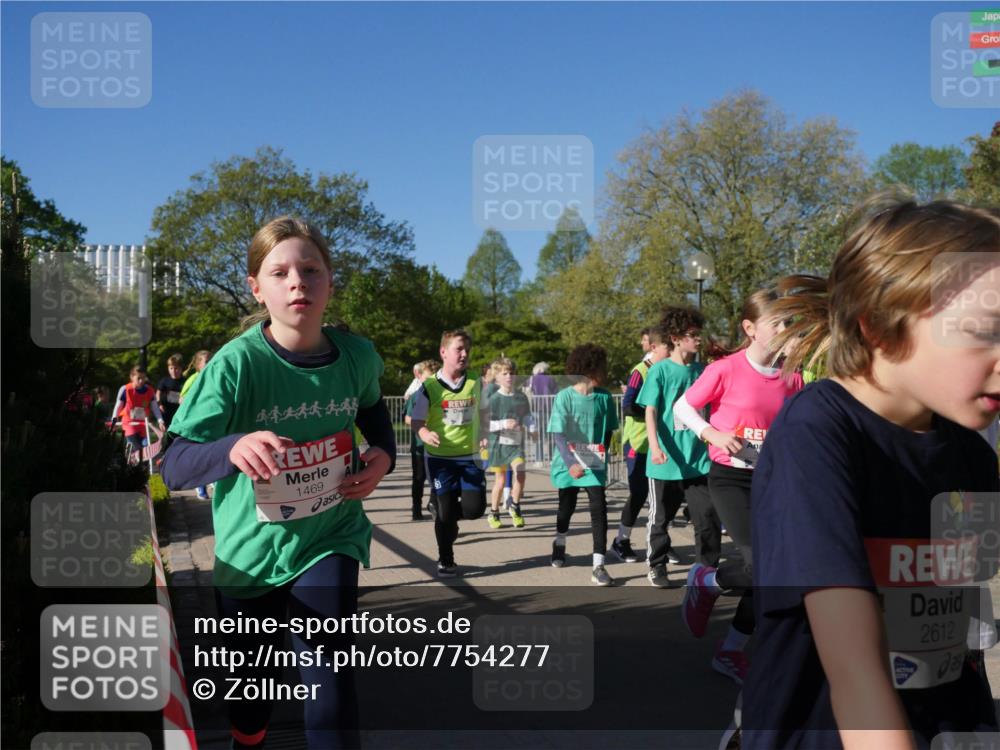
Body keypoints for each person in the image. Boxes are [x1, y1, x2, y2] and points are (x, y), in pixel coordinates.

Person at [740, 196, 1000, 749]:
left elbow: (962, 630)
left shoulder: (972, 454)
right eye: (985, 330)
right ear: (881, 326)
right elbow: (855, 672)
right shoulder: (819, 431)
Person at [160, 216, 395, 750]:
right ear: (256, 287)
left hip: (329, 536)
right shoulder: (235, 366)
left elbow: (377, 420)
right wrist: (232, 448)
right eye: (280, 271)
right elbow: (172, 463)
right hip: (250, 555)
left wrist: (382, 458)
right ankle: (249, 739)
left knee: (332, 684)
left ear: (330, 281)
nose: (297, 282)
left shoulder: (356, 356)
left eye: (311, 270)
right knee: (249, 700)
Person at [674, 288, 804, 685]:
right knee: (761, 565)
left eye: (789, 323)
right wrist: (711, 433)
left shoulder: (792, 377)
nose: (785, 330)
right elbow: (682, 407)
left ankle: (730, 650)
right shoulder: (725, 369)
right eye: (777, 322)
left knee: (779, 572)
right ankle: (706, 580)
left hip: (772, 481)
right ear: (750, 328)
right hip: (730, 478)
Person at [638, 313, 716, 588]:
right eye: (692, 335)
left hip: (697, 460)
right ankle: (657, 565)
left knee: (706, 517)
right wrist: (656, 447)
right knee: (661, 519)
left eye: (699, 334)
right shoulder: (659, 371)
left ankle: (706, 570)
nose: (698, 339)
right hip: (666, 460)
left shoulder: (703, 371)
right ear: (675, 339)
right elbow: (650, 411)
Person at [409, 329, 487, 577]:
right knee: (444, 511)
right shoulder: (429, 387)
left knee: (475, 510)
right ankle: (446, 559)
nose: (464, 354)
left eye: (467, 350)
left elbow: (484, 412)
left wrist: (485, 432)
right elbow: (416, 420)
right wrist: (424, 434)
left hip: (470, 457)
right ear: (444, 352)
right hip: (440, 458)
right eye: (459, 349)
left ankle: (447, 515)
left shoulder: (475, 382)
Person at [548, 344, 620, 586]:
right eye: (602, 366)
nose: (606, 371)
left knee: (598, 507)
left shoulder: (605, 397)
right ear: (590, 369)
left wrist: (601, 455)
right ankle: (559, 542)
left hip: (593, 461)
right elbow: (558, 435)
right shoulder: (564, 397)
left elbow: (609, 430)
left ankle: (598, 565)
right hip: (568, 462)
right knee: (566, 507)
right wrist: (570, 463)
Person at [610, 327, 660, 565]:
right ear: (656, 347)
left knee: (664, 496)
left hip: (660, 442)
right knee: (639, 493)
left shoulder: (667, 370)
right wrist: (654, 411)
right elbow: (628, 405)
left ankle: (661, 543)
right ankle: (621, 540)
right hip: (638, 442)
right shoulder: (640, 371)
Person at [484, 358, 532, 529]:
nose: (509, 376)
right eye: (504, 373)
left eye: (511, 373)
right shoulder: (494, 399)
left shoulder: (521, 397)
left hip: (515, 444)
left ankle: (515, 506)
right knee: (500, 480)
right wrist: (504, 423)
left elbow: (527, 416)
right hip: (498, 445)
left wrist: (532, 427)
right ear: (497, 377)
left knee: (521, 474)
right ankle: (494, 512)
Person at [404, 359, 439, 520]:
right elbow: (407, 418)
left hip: (438, 445)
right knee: (419, 477)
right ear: (421, 378)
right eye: (428, 377)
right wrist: (422, 425)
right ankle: (416, 507)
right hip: (419, 444)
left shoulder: (441, 396)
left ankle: (434, 503)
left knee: (436, 476)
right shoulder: (416, 396)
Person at [178, 350, 213, 499]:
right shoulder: (193, 379)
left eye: (212, 359)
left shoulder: (215, 375)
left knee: (212, 454)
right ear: (198, 365)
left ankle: (212, 481)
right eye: (206, 361)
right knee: (201, 456)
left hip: (212, 420)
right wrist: (194, 406)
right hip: (198, 422)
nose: (210, 363)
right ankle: (201, 487)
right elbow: (181, 399)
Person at [116, 366, 166, 462]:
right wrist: (114, 419)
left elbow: (155, 407)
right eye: (138, 378)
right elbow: (118, 406)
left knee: (146, 446)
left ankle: (142, 468)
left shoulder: (150, 391)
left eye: (143, 378)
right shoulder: (125, 389)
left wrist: (160, 421)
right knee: (137, 448)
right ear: (132, 377)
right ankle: (132, 465)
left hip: (143, 425)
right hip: (129, 425)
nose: (141, 381)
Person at [156, 353, 187, 428]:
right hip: (166, 410)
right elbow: (158, 393)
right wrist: (159, 404)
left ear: (181, 368)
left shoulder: (185, 381)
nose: (174, 371)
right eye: (171, 368)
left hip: (179, 411)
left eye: (176, 368)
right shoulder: (165, 380)